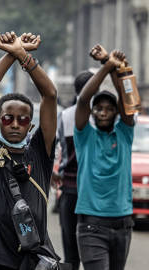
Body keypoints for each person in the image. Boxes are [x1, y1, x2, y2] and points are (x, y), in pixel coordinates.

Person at [0, 31, 60, 269]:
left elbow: (50, 94)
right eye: (8, 118)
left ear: (30, 125)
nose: (14, 124)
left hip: (35, 257)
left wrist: (23, 55)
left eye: (22, 120)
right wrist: (10, 56)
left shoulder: (40, 152)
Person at [74, 44, 135, 270]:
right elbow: (82, 100)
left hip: (123, 223)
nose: (103, 112)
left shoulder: (125, 134)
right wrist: (107, 66)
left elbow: (129, 101)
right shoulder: (85, 136)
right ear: (93, 112)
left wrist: (112, 68)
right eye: (98, 108)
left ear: (117, 113)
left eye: (109, 108)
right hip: (91, 225)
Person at [54, 70, 93, 270]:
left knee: (70, 251)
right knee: (93, 250)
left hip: (69, 189)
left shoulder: (65, 116)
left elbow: (58, 147)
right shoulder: (101, 116)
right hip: (92, 192)